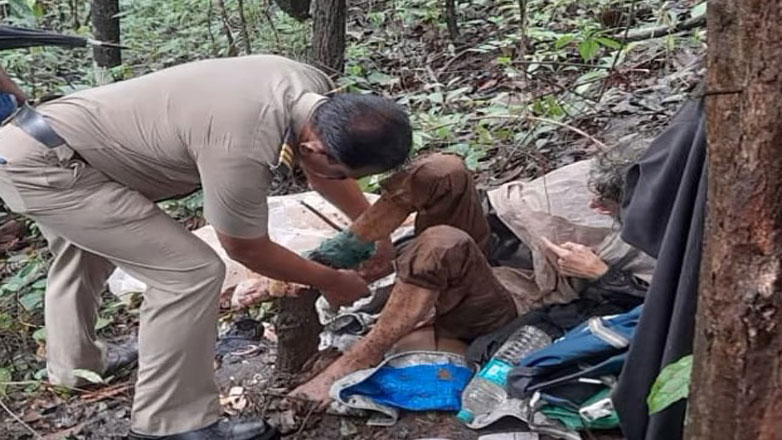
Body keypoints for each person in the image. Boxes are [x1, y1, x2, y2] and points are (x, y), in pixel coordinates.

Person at [0, 55, 411, 440]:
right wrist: (330, 280)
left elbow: (325, 171)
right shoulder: (246, 144)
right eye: (340, 170)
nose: (338, 177)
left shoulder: (304, 86)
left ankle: (75, 367)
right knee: (189, 273)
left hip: (47, 143)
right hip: (48, 168)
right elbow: (246, 248)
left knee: (83, 252)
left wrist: (372, 231)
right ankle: (171, 423)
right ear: (314, 148)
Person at [288, 149, 654, 406]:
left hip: (521, 297)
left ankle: (360, 357)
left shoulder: (667, 234)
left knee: (440, 244)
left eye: (606, 201)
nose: (593, 205)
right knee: (441, 169)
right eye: (597, 194)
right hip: (494, 247)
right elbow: (508, 205)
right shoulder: (603, 176)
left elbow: (652, 312)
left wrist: (600, 273)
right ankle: (344, 252)